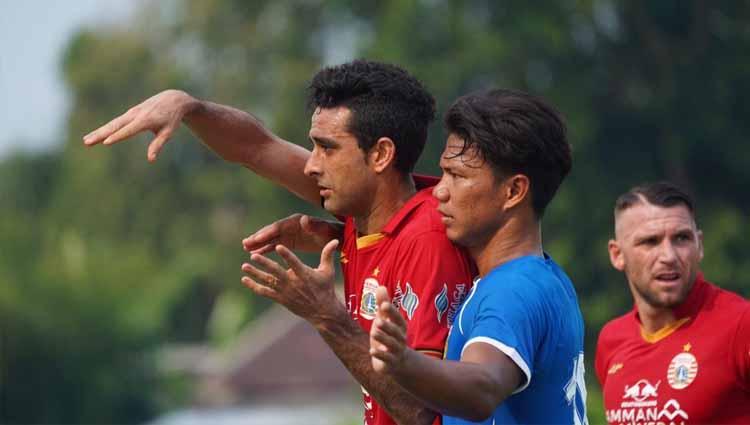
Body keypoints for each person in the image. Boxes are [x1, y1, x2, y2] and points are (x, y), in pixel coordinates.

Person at [83, 60, 475, 425]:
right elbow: (256, 146)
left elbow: (423, 412)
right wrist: (189, 107)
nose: (311, 164)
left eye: (328, 148)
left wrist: (326, 316)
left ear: (381, 154)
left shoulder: (427, 242)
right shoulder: (366, 214)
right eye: (314, 145)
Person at [368, 89, 588, 424]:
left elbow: (483, 388)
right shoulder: (542, 275)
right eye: (443, 173)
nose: (439, 191)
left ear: (513, 191)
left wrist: (403, 361)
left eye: (457, 176)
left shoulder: (512, 291)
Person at [595, 182, 750, 425]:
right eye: (650, 241)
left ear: (699, 245)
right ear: (617, 255)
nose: (669, 256)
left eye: (681, 238)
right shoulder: (611, 341)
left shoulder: (741, 326)